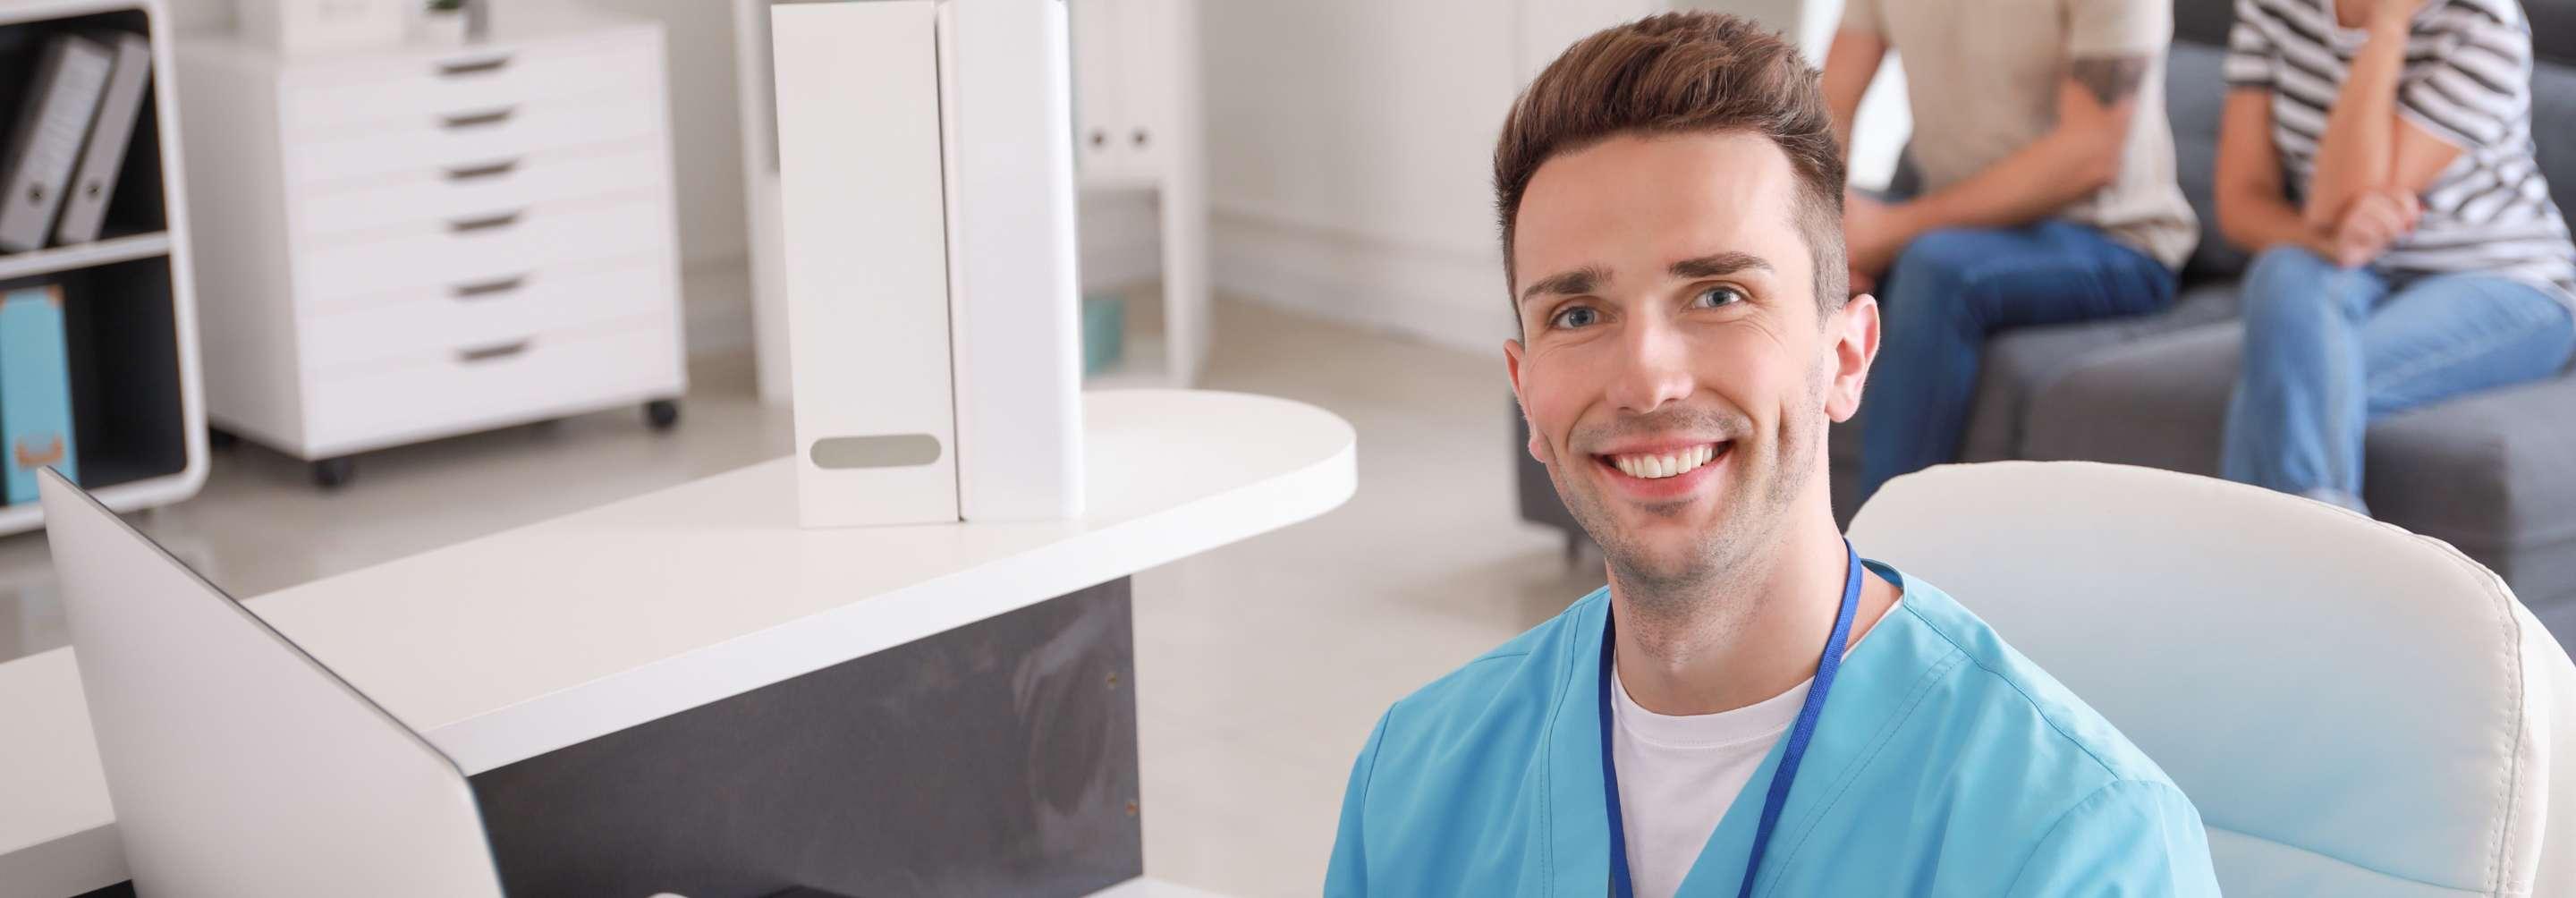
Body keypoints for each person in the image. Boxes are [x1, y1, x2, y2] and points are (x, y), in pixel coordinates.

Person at [1324, 13, 2218, 897]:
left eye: (1717, 294)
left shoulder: (2079, 845)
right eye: (1579, 314)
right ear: (1526, 389)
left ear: (1846, 357)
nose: (1646, 378)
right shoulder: (1412, 781)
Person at [1827, 0, 2200, 503]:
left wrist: (1893, 229)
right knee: (1788, 247)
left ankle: (1882, 552)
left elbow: (2089, 154)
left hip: (2115, 240)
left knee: (1935, 266)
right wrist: (1830, 228)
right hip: (1957, 223)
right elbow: (1831, 101)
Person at [2216, 0, 2576, 513]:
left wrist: (2387, 27)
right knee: (2283, 268)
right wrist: (2324, 242)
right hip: (2354, 266)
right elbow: (2242, 206)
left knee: (2293, 380)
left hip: (2507, 281)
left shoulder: (2484, 24)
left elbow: (2343, 198)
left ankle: (2312, 550)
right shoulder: (2274, 8)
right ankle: (2324, 548)